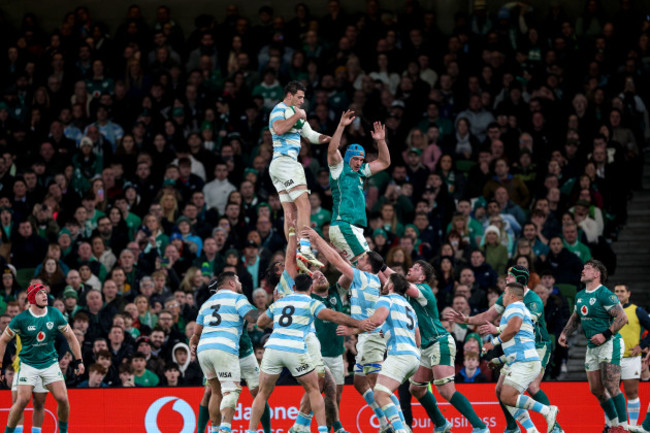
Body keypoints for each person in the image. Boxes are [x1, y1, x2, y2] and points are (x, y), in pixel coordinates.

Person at [245, 273, 371, 433]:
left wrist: (275, 319)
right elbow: (333, 315)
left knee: (262, 393)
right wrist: (358, 323)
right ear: (311, 288)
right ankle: (323, 430)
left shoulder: (280, 302)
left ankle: (251, 431)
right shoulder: (311, 302)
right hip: (295, 349)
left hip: (273, 348)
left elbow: (261, 323)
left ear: (293, 288)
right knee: (314, 389)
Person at [302, 227, 395, 433]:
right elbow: (341, 261)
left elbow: (337, 261)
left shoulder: (361, 278)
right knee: (360, 382)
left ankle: (396, 424)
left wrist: (318, 240)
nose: (357, 261)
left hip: (368, 338)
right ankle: (383, 422)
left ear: (368, 265)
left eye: (361, 259)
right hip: (354, 341)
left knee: (376, 385)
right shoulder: (310, 297)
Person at [447, 265, 561, 433]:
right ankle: (515, 427)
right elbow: (488, 316)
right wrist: (467, 320)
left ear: (518, 281)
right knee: (500, 389)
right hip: (517, 350)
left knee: (532, 387)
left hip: (537, 345)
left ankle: (554, 427)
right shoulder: (509, 298)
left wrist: (495, 335)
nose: (506, 279)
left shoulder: (532, 301)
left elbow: (519, 325)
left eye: (509, 276)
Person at [395, 260, 488, 433]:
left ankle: (480, 427)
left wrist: (381, 267)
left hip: (439, 341)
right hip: (423, 347)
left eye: (414, 268)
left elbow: (397, 281)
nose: (409, 268)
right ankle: (441, 424)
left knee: (445, 390)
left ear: (422, 277)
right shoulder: (406, 291)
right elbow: (393, 281)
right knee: (416, 388)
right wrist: (376, 268)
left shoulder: (423, 289)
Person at [341, 273, 421, 433]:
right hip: (414, 357)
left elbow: (376, 321)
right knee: (377, 387)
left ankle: (400, 429)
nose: (383, 285)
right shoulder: (409, 307)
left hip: (400, 354)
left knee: (380, 393)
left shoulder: (386, 299)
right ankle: (398, 427)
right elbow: (418, 339)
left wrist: (354, 329)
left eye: (386, 282)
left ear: (391, 285)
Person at [0, 283, 84, 433]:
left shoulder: (55, 313)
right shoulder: (21, 319)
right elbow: (3, 340)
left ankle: (63, 432)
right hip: (28, 365)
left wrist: (78, 361)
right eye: (40, 293)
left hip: (50, 364)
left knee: (63, 399)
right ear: (32, 297)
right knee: (22, 401)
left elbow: (71, 337)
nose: (45, 295)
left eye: (45, 292)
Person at [559, 260, 629, 432]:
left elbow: (622, 318)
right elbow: (576, 317)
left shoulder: (604, 294)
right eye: (583, 268)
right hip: (592, 346)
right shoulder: (580, 295)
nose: (583, 270)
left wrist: (605, 334)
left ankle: (624, 426)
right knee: (596, 389)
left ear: (597, 274)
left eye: (588, 268)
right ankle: (613, 425)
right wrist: (564, 333)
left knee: (611, 385)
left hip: (610, 343)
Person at [268, 80, 331, 267]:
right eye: (299, 97)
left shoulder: (296, 114)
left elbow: (311, 135)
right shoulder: (279, 110)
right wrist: (298, 116)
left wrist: (329, 138)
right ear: (289, 95)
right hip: (285, 162)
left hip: (278, 165)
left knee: (290, 210)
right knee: (304, 204)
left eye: (303, 97)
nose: (302, 101)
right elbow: (279, 129)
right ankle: (305, 247)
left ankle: (294, 251)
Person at [189, 272, 262, 433]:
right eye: (238, 280)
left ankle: (215, 429)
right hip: (224, 347)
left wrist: (192, 344)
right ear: (231, 283)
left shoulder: (207, 303)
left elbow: (196, 334)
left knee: (216, 392)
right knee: (231, 390)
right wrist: (265, 312)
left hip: (204, 350)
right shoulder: (238, 298)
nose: (240, 283)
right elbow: (252, 318)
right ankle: (225, 428)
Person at [481, 282, 559, 433]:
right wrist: (498, 360)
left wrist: (493, 342)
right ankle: (531, 430)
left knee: (507, 396)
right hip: (521, 360)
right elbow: (516, 342)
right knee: (506, 395)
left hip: (525, 361)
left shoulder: (514, 307)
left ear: (512, 295)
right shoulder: (519, 310)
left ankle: (547, 411)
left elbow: (513, 329)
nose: (502, 296)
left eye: (504, 293)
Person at [327, 110, 390, 263]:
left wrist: (381, 141)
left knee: (358, 270)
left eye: (361, 159)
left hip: (355, 228)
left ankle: (340, 288)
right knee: (368, 265)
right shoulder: (338, 168)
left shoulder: (361, 171)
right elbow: (332, 150)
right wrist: (341, 125)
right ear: (348, 157)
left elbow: (384, 162)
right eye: (355, 159)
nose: (358, 162)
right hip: (344, 225)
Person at [614, 284, 650, 427]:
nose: (619, 294)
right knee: (611, 394)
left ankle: (633, 427)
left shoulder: (637, 311)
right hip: (611, 359)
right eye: (616, 291)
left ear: (628, 293)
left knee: (632, 392)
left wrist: (642, 345)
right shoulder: (608, 311)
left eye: (622, 291)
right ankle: (612, 426)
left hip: (630, 358)